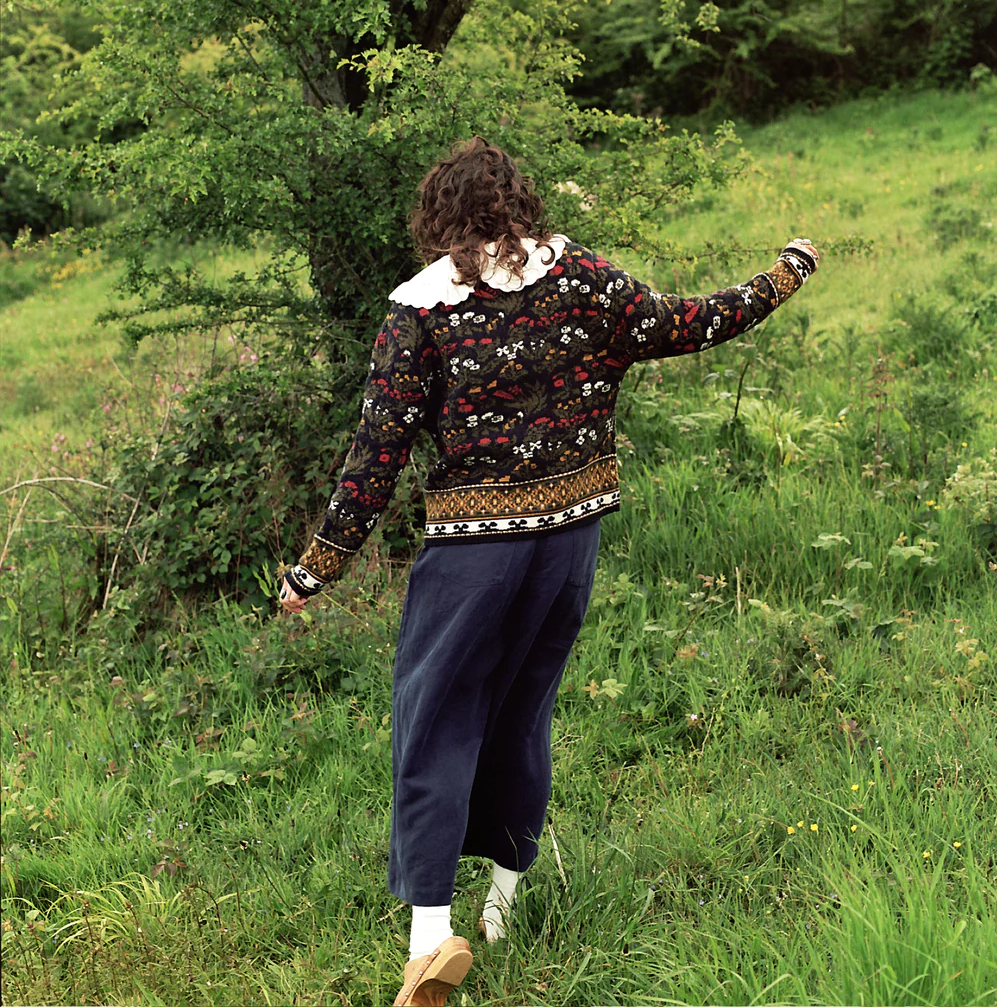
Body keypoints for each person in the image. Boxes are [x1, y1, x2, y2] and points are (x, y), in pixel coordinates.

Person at [278, 136, 819, 1006]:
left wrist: (315, 569)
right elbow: (697, 319)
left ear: (438, 216)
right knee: (522, 714)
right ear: (519, 203)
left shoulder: (423, 310)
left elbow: (374, 458)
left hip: (472, 559)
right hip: (568, 547)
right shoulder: (586, 282)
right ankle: (503, 903)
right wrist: (788, 269)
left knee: (436, 722)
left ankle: (431, 937)